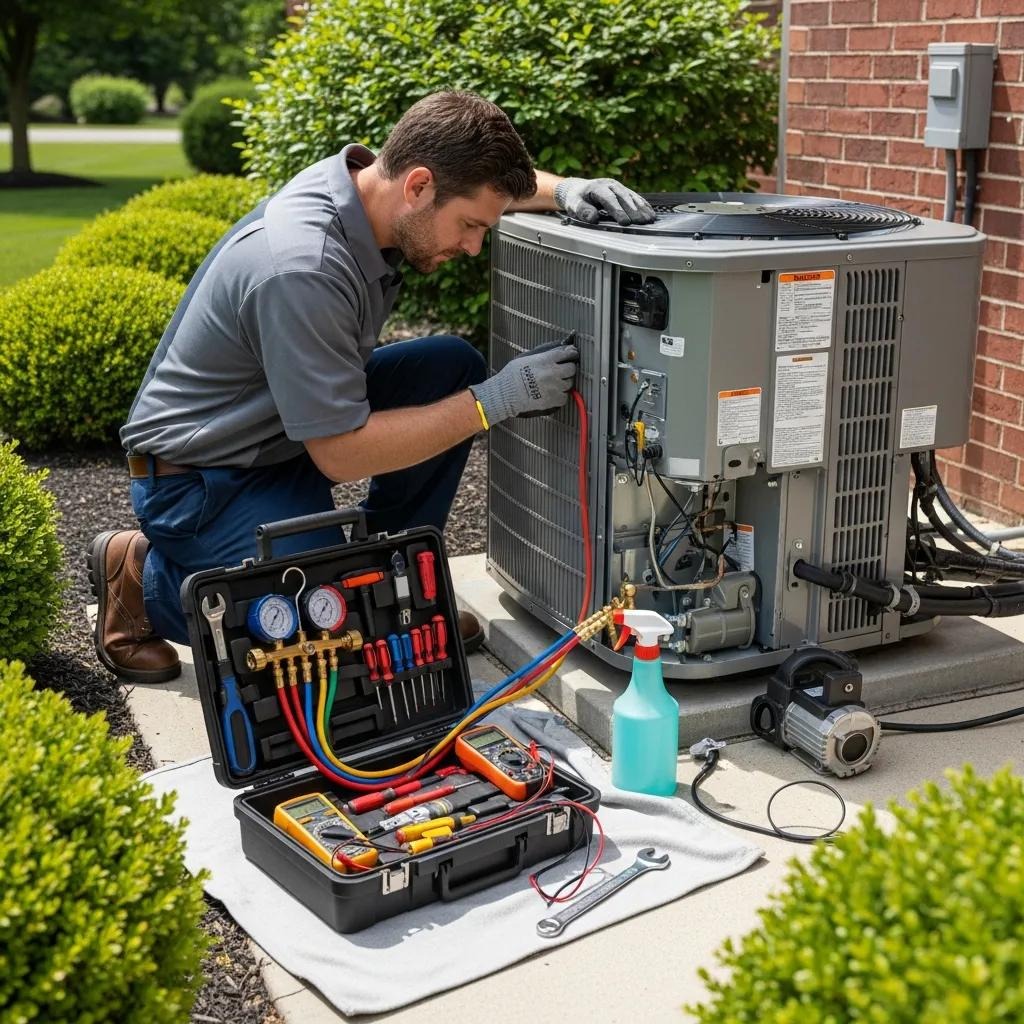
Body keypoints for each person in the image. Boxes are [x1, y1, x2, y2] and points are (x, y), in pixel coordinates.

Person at [87, 90, 655, 683]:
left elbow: (473, 178)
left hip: (280, 435)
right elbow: (341, 454)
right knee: (325, 638)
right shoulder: (302, 265)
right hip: (204, 480)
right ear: (417, 187)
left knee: (449, 366)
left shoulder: (368, 186)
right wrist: (495, 401)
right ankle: (142, 578)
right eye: (469, 226)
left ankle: (393, 586)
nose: (472, 246)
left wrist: (564, 188)